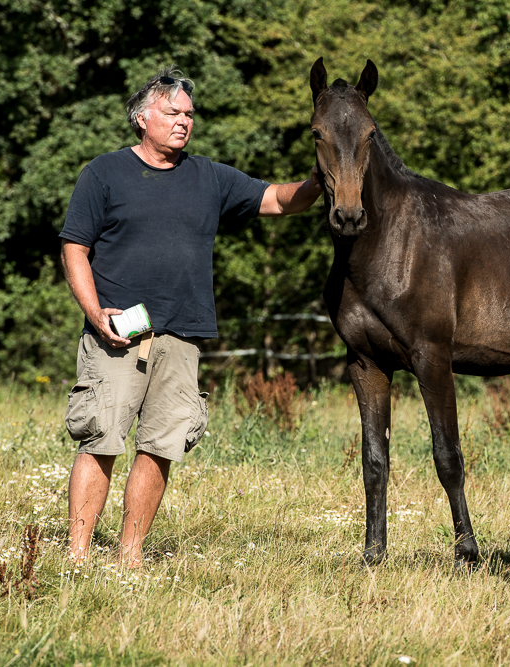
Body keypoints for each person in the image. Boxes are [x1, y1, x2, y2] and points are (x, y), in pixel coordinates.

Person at [60, 67, 322, 567]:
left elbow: (278, 200)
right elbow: (75, 248)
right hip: (119, 333)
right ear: (143, 118)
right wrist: (95, 315)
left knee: (161, 446)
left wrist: (322, 176)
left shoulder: (210, 177)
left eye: (189, 115)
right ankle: (76, 555)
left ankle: (129, 557)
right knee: (103, 437)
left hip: (183, 335)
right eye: (172, 112)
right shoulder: (104, 173)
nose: (183, 122)